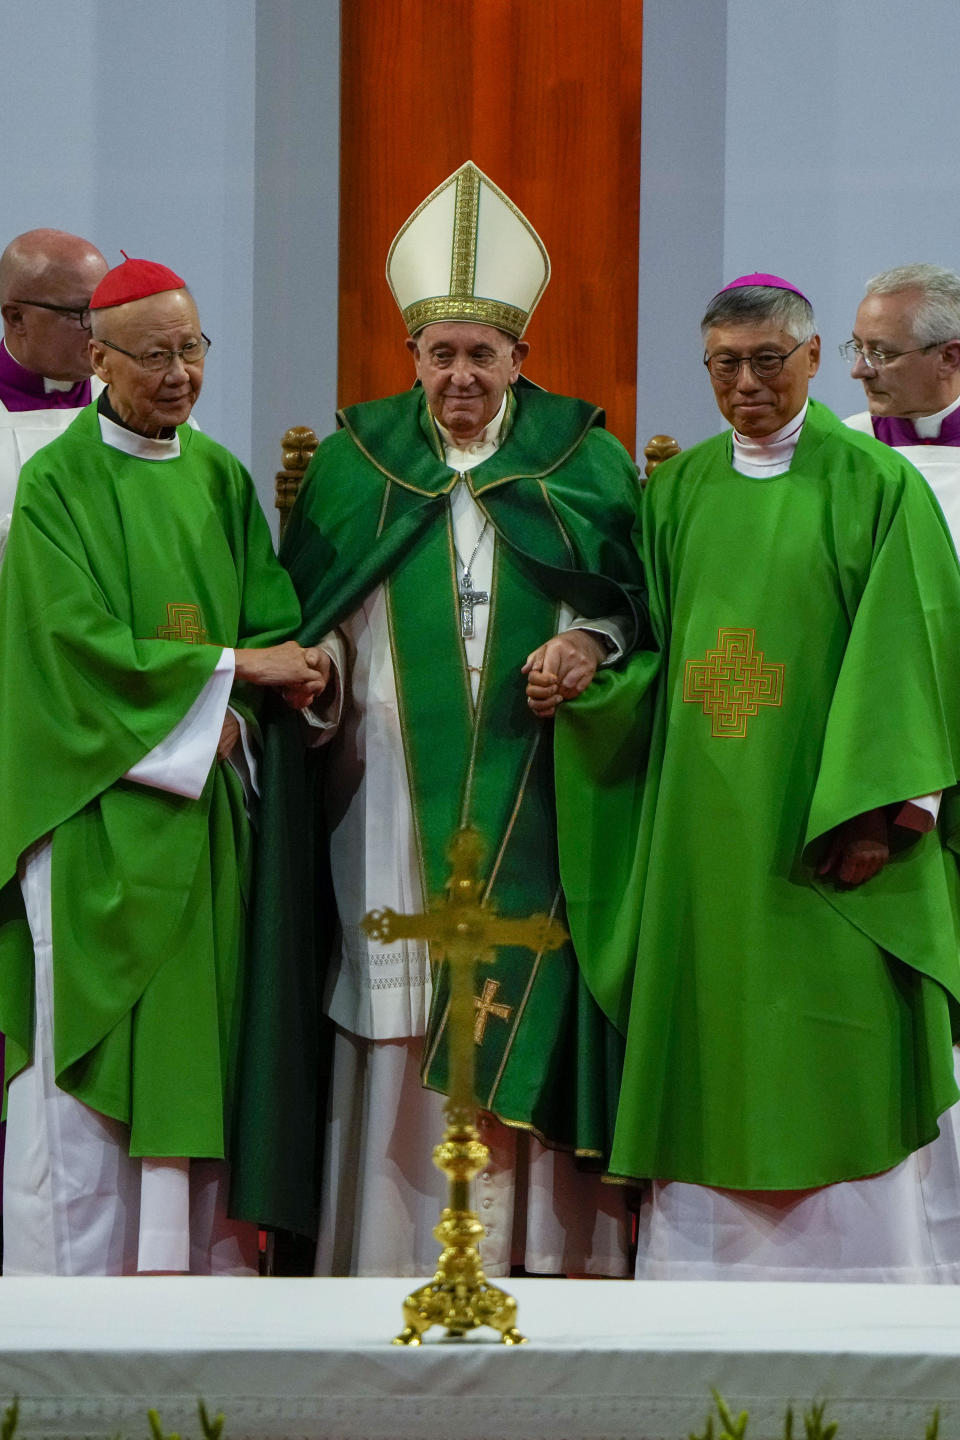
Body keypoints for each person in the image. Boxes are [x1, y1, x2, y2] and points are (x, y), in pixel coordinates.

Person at [231, 162, 645, 1278]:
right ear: (411, 356)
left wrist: (586, 646)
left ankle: (545, 1276)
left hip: (535, 803)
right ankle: (382, 1268)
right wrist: (315, 675)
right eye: (441, 355)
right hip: (386, 804)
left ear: (521, 357)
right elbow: (309, 621)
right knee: (395, 1012)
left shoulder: (586, 462)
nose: (461, 377)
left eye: (483, 355)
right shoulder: (357, 466)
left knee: (524, 987)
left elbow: (635, 616)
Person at [555, 273, 960, 1281]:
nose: (746, 384)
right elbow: (649, 638)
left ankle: (866, 1283)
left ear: (814, 361)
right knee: (712, 1040)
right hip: (705, 836)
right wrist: (590, 671)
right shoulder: (681, 491)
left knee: (841, 1042)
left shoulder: (875, 485)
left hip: (831, 830)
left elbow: (914, 650)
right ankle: (701, 1283)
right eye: (726, 366)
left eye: (768, 362)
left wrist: (882, 814)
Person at [0, 254, 329, 1275]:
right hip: (99, 816)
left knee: (203, 1068)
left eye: (193, 350)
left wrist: (294, 679)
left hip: (205, 831)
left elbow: (276, 627)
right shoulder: (57, 483)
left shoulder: (220, 475)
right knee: (84, 1103)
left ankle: (201, 1326)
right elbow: (66, 649)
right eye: (154, 355)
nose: (179, 373)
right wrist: (225, 677)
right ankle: (72, 1326)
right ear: (98, 358)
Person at [0, 228, 108, 559]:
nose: (100, 330)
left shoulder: (136, 405)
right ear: (16, 317)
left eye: (105, 310)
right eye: (81, 314)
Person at [844, 264, 960, 542]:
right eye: (858, 349)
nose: (859, 370)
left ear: (949, 358)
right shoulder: (848, 447)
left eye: (881, 353)